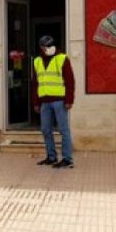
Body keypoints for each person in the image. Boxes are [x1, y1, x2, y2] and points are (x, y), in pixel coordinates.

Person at [32, 35, 75, 168]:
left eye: (50, 46)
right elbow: (35, 83)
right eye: (45, 46)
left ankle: (67, 159)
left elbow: (70, 81)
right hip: (44, 102)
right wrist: (36, 102)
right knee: (45, 130)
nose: (48, 48)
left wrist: (69, 100)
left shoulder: (62, 58)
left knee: (63, 130)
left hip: (60, 101)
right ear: (41, 47)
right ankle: (51, 157)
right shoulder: (37, 61)